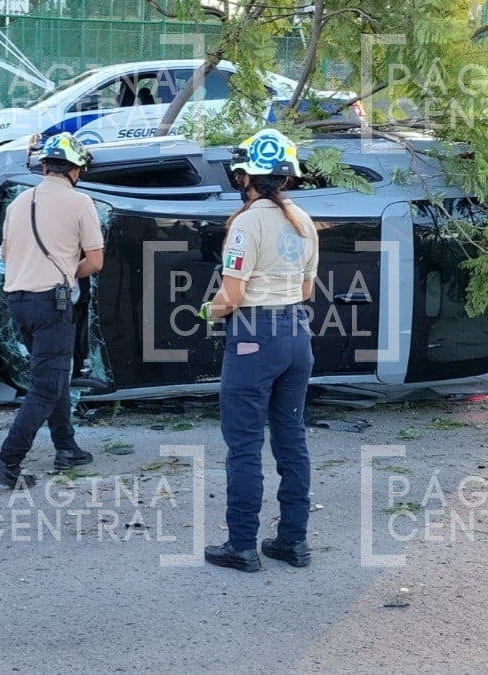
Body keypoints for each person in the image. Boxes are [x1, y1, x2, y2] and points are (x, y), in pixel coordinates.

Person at [201, 129, 319, 572]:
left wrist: (210, 312)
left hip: (254, 335)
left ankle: (242, 546)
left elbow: (230, 297)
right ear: (286, 178)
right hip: (296, 334)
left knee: (245, 444)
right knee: (292, 439)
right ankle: (293, 541)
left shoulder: (247, 223)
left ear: (244, 177)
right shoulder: (304, 221)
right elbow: (306, 288)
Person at [0, 132, 104, 489]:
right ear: (75, 171)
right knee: (45, 387)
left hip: (19, 302)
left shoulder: (19, 202)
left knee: (53, 378)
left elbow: (6, 256)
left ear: (44, 166)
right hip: (51, 304)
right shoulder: (80, 202)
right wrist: (69, 271)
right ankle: (8, 463)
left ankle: (65, 447)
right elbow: (96, 261)